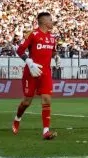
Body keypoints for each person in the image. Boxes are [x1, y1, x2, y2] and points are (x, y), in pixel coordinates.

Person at [13, 11, 58, 140]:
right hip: (31, 72)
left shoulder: (52, 37)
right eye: (50, 20)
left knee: (47, 99)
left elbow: (53, 51)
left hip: (45, 73)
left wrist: (57, 56)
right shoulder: (33, 34)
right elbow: (20, 50)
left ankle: (46, 131)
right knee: (27, 102)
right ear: (43, 22)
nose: (52, 22)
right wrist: (29, 61)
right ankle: (17, 118)